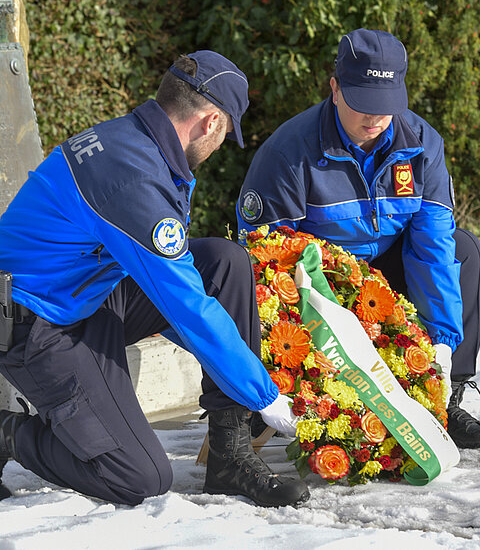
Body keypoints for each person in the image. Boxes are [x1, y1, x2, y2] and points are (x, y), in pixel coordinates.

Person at [0, 50, 310, 508]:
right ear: (210, 123)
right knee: (138, 477)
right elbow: (184, 303)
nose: (221, 145)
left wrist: (235, 366)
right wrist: (263, 393)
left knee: (224, 263)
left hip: (87, 293)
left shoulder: (138, 141)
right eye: (226, 133)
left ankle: (229, 456)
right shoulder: (133, 179)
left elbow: (177, 286)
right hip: (38, 326)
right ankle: (9, 435)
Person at [237, 28, 480, 449]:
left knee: (464, 248)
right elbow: (264, 261)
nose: (374, 119)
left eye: (385, 107)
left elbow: (432, 246)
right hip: (321, 284)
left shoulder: (423, 144)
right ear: (335, 89)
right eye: (362, 104)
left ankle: (447, 393)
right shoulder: (288, 153)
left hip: (389, 269)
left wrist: (441, 341)